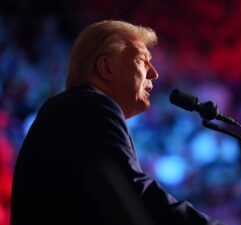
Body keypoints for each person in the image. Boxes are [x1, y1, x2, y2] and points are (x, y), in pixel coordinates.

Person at [11, 20, 225, 225]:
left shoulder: (73, 108)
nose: (154, 72)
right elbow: (132, 194)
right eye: (141, 60)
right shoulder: (93, 106)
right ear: (106, 67)